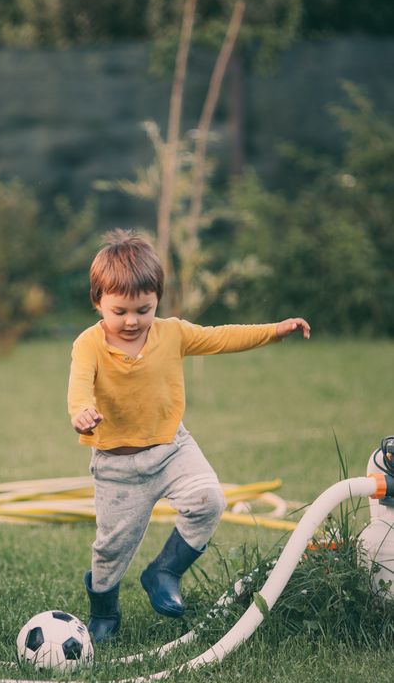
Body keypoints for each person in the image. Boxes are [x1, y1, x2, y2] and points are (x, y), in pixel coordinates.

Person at [67, 229, 311, 644]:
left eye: (144, 309)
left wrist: (274, 330)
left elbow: (222, 336)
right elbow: (79, 385)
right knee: (110, 550)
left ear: (157, 300)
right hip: (117, 464)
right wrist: (81, 412)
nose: (132, 321)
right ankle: (104, 613)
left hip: (171, 448)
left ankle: (164, 571)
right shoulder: (89, 344)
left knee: (208, 500)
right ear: (98, 302)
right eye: (119, 311)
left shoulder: (172, 333)